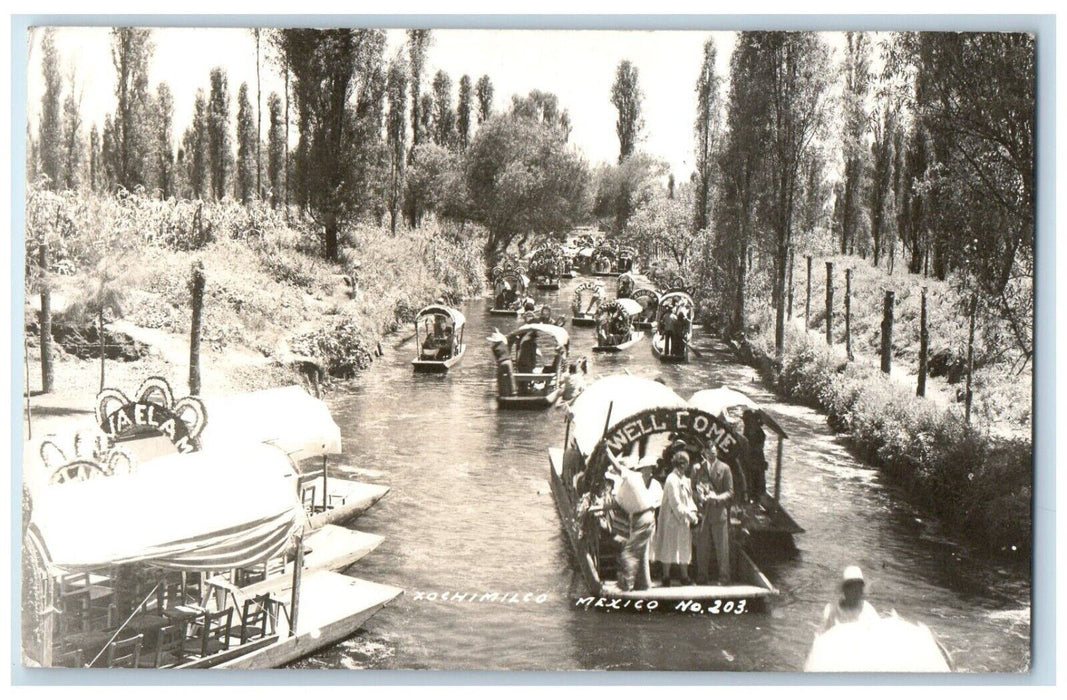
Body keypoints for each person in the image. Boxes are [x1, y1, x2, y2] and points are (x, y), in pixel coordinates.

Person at [598, 453, 659, 592]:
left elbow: (617, 466)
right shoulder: (630, 483)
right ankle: (644, 584)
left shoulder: (631, 476)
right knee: (641, 553)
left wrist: (607, 452)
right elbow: (616, 503)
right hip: (645, 518)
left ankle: (627, 584)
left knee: (628, 552)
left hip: (642, 518)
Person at [653, 451, 699, 586]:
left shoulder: (685, 479)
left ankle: (684, 576)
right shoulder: (671, 479)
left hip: (683, 519)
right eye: (681, 463)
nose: (684, 466)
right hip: (671, 520)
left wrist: (693, 512)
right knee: (669, 546)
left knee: (684, 546)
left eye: (685, 463)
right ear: (677, 464)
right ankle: (666, 577)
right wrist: (689, 515)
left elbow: (689, 499)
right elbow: (675, 503)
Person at [692, 450, 734, 584]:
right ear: (704, 452)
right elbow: (692, 488)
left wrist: (716, 497)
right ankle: (702, 576)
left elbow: (730, 492)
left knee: (721, 547)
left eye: (714, 452)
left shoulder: (725, 468)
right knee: (702, 547)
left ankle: (724, 577)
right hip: (703, 512)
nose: (711, 455)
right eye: (709, 452)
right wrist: (698, 496)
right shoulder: (697, 468)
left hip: (718, 511)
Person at [819, 566, 880, 632]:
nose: (855, 592)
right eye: (851, 588)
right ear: (844, 590)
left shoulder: (868, 610)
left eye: (858, 588)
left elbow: (878, 633)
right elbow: (823, 636)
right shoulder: (831, 610)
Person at [742, 409, 769, 502]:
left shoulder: (758, 432)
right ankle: (752, 498)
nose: (744, 422)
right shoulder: (748, 429)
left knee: (756, 480)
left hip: (756, 459)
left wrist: (747, 449)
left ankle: (755, 500)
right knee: (751, 479)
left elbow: (758, 447)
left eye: (746, 420)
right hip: (752, 458)